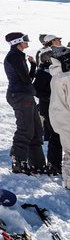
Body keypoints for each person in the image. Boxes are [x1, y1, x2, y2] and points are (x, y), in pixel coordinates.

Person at [3, 32, 46, 174]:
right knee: (26, 129)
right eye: (25, 40)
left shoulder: (18, 56)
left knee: (36, 130)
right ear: (18, 42)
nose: (27, 42)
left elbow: (26, 78)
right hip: (20, 95)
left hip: (25, 94)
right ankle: (19, 162)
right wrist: (34, 69)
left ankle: (37, 164)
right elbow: (26, 79)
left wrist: (33, 65)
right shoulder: (15, 56)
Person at [33, 43, 62, 176]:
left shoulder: (52, 71)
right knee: (56, 135)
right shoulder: (43, 72)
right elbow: (37, 91)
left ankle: (55, 164)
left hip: (54, 107)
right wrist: (51, 97)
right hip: (49, 108)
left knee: (57, 135)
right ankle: (53, 165)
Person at [49, 46, 70, 189]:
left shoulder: (56, 76)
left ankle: (68, 183)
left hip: (59, 120)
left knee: (68, 152)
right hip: (67, 118)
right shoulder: (67, 78)